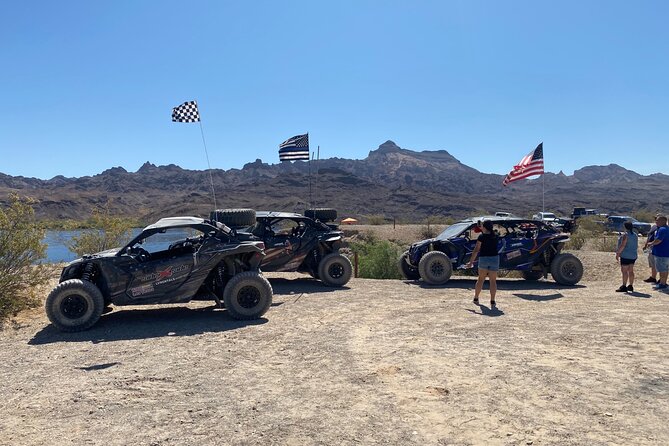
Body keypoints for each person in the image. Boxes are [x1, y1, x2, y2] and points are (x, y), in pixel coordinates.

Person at [467, 220, 499, 307]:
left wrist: (471, 262)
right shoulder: (495, 236)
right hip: (494, 259)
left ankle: (476, 298)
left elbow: (476, 250)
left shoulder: (481, 237)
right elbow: (490, 233)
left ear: (484, 227)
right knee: (493, 281)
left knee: (481, 279)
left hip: (484, 259)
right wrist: (482, 227)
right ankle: (492, 300)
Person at [615, 221, 638, 292]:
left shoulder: (625, 235)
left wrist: (618, 253)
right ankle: (631, 285)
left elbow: (623, 245)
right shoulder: (635, 235)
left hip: (625, 255)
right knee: (631, 271)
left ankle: (624, 286)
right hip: (633, 255)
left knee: (624, 271)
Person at [648, 215, 669, 290]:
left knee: (662, 270)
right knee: (665, 269)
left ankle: (662, 284)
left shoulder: (662, 229)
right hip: (666, 253)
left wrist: (651, 243)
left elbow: (658, 240)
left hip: (661, 253)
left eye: (658, 220)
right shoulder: (667, 229)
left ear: (663, 221)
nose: (656, 222)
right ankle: (664, 283)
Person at [642, 215, 661, 283]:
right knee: (652, 263)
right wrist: (646, 245)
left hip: (658, 248)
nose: (656, 220)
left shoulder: (663, 228)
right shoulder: (653, 227)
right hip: (651, 247)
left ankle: (661, 279)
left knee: (659, 264)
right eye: (656, 219)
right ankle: (653, 277)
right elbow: (649, 236)